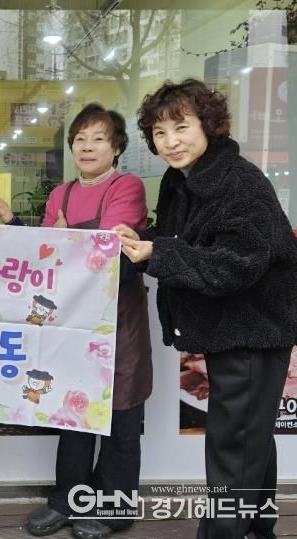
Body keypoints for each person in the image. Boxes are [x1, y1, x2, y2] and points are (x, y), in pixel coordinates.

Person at [115, 78, 297, 539]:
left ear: (208, 125)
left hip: (254, 328)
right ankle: (258, 529)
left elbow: (236, 265)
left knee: (234, 446)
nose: (170, 142)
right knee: (249, 436)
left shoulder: (241, 183)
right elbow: (182, 241)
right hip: (231, 328)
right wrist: (144, 241)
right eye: (159, 132)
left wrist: (158, 253)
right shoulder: (182, 179)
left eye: (181, 127)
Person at [0, 103, 152, 539]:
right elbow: (44, 257)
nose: (87, 147)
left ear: (117, 147)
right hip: (71, 323)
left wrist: (65, 236)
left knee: (121, 417)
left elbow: (107, 254)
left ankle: (115, 507)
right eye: (80, 139)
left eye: (98, 139)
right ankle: (67, 500)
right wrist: (13, 221)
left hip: (118, 322)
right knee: (72, 411)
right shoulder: (61, 194)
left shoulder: (127, 187)